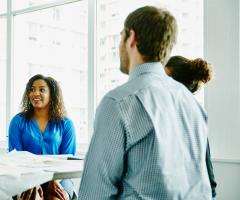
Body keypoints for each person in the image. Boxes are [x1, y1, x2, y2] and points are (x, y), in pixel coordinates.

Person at [79, 6, 211, 199]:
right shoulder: (191, 103)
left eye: (120, 37)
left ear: (131, 38)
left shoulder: (118, 103)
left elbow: (95, 194)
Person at [9, 74, 76, 200]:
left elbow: (68, 160)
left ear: (52, 95)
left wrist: (54, 179)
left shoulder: (66, 124)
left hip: (60, 177)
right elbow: (15, 158)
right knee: (32, 198)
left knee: (56, 198)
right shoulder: (17, 122)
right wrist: (32, 181)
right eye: (32, 89)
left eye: (42, 90)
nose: (35, 93)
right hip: (26, 177)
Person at [165, 55, 217, 199]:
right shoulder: (196, 108)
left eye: (165, 78)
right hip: (205, 190)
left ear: (177, 83)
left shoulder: (178, 111)